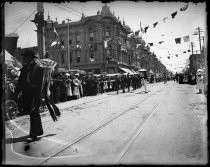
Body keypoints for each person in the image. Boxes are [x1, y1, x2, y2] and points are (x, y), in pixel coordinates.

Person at [13, 49, 44, 142]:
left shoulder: (39, 68)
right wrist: (16, 92)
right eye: (24, 57)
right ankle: (39, 130)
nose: (24, 58)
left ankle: (33, 134)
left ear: (31, 58)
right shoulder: (24, 69)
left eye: (26, 56)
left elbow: (42, 83)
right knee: (33, 113)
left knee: (34, 112)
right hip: (27, 94)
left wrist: (41, 94)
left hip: (36, 94)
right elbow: (20, 82)